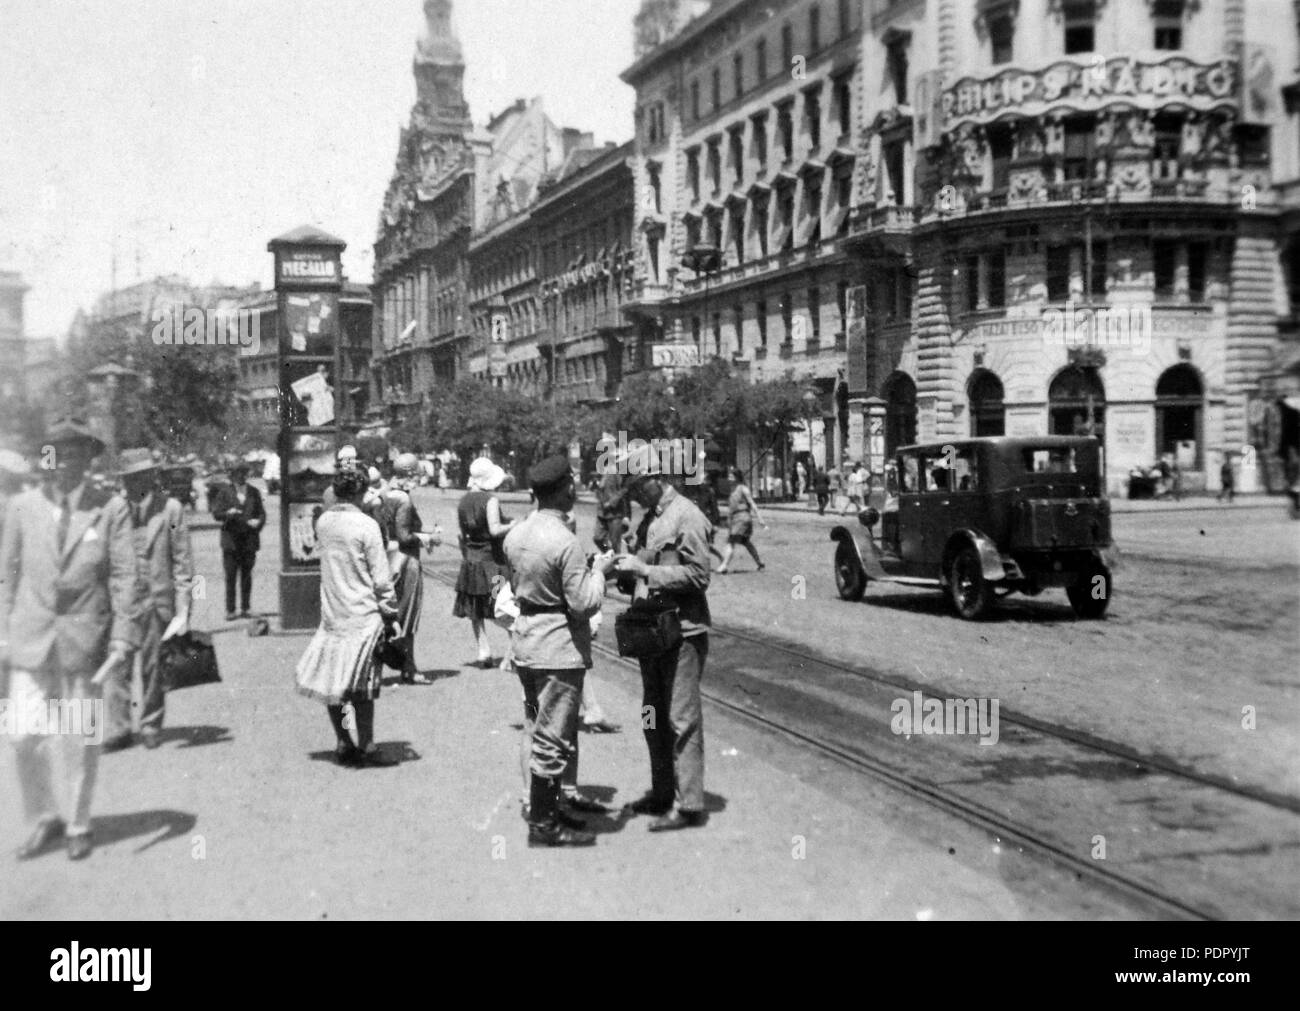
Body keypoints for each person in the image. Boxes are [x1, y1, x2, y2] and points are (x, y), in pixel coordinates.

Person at [0, 419, 140, 861]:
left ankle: (78, 822)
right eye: (57, 454)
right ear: (46, 458)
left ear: (87, 459)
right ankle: (45, 815)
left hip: (86, 639)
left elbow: (123, 575)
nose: (65, 463)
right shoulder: (22, 507)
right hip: (30, 637)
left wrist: (122, 637)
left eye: (76, 454)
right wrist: (3, 634)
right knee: (22, 734)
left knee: (79, 737)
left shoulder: (110, 508)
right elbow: (7, 574)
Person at [503, 455, 617, 846]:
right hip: (557, 647)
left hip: (526, 642)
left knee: (537, 726)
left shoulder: (516, 534)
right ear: (564, 489)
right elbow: (584, 602)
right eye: (572, 485)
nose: (576, 491)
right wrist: (600, 572)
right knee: (554, 738)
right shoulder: (565, 541)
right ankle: (544, 825)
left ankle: (552, 809)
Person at [614, 449, 712, 831]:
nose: (634, 496)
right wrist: (623, 567)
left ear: (655, 479)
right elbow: (642, 569)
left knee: (680, 718)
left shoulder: (687, 516)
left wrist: (646, 570)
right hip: (652, 632)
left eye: (637, 487)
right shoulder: (650, 520)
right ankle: (661, 792)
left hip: (683, 632)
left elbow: (699, 575)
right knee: (652, 716)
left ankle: (688, 804)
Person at [295, 469, 400, 768]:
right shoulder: (367, 525)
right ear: (359, 493)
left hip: (333, 613)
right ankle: (367, 745)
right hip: (363, 614)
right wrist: (391, 613)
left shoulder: (324, 522)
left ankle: (343, 742)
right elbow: (381, 579)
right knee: (364, 687)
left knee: (335, 685)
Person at [103, 448, 194, 752]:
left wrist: (183, 611)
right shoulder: (112, 510)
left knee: (154, 668)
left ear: (152, 476)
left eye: (142, 476)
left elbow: (182, 563)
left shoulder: (170, 510)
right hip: (121, 602)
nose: (136, 483)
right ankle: (119, 727)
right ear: (124, 480)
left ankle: (151, 723)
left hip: (157, 601)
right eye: (131, 478)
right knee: (118, 667)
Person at [453, 457, 516, 667]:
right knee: (502, 603)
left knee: (476, 608)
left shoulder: (463, 501)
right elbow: (495, 529)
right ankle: (512, 650)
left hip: (472, 562)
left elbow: (462, 536)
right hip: (493, 563)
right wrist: (515, 524)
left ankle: (483, 650)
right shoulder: (490, 500)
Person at [384, 453, 440, 684]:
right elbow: (405, 535)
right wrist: (428, 538)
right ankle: (409, 666)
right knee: (408, 613)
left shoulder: (386, 493)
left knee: (393, 611)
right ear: (409, 475)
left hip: (388, 556)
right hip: (406, 560)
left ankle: (407, 664)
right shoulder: (404, 500)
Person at [209, 461, 265, 619]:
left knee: (247, 576)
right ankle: (231, 610)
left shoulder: (254, 492)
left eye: (243, 473)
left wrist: (258, 522)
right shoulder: (224, 492)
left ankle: (246, 608)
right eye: (238, 473)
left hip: (248, 540)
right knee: (231, 576)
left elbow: (261, 513)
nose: (241, 476)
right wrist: (228, 513)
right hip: (231, 541)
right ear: (232, 475)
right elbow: (216, 513)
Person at [717, 467, 766, 574]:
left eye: (731, 476)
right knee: (746, 542)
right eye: (729, 476)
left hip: (742, 518)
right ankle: (760, 563)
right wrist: (728, 520)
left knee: (731, 541)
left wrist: (760, 519)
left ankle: (724, 566)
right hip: (736, 519)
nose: (729, 478)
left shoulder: (743, 488)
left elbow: (752, 504)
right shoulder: (732, 489)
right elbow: (731, 508)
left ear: (737, 477)